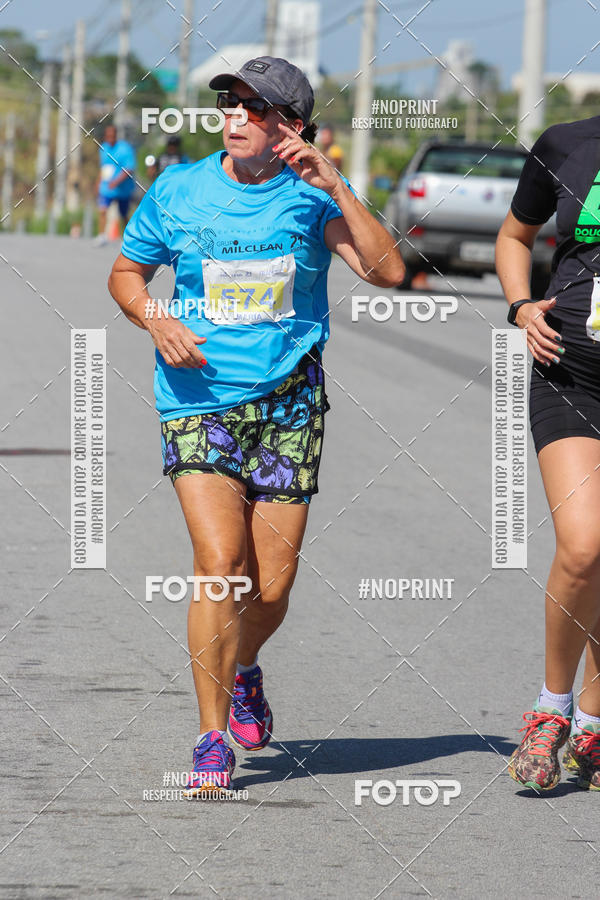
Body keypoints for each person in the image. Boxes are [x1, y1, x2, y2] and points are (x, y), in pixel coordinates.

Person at [107, 56, 405, 795]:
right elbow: (125, 273)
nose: (237, 117)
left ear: (292, 128)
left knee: (269, 589)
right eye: (231, 104)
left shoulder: (313, 198)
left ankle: (245, 668)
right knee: (219, 565)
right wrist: (158, 318)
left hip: (288, 403)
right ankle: (211, 738)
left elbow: (389, 271)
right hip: (197, 396)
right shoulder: (178, 189)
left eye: (256, 108)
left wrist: (336, 184)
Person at [496, 115, 600, 792]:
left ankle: (594, 716)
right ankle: (551, 709)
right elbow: (514, 236)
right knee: (585, 545)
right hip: (573, 372)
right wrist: (520, 305)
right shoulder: (568, 143)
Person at [95, 124, 136, 244]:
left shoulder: (125, 148)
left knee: (124, 214)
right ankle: (102, 236)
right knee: (102, 210)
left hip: (123, 188)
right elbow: (103, 168)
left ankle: (128, 238)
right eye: (108, 136)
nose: (110, 138)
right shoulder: (103, 148)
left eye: (112, 136)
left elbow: (130, 168)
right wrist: (98, 182)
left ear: (116, 135)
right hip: (107, 187)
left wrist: (116, 181)